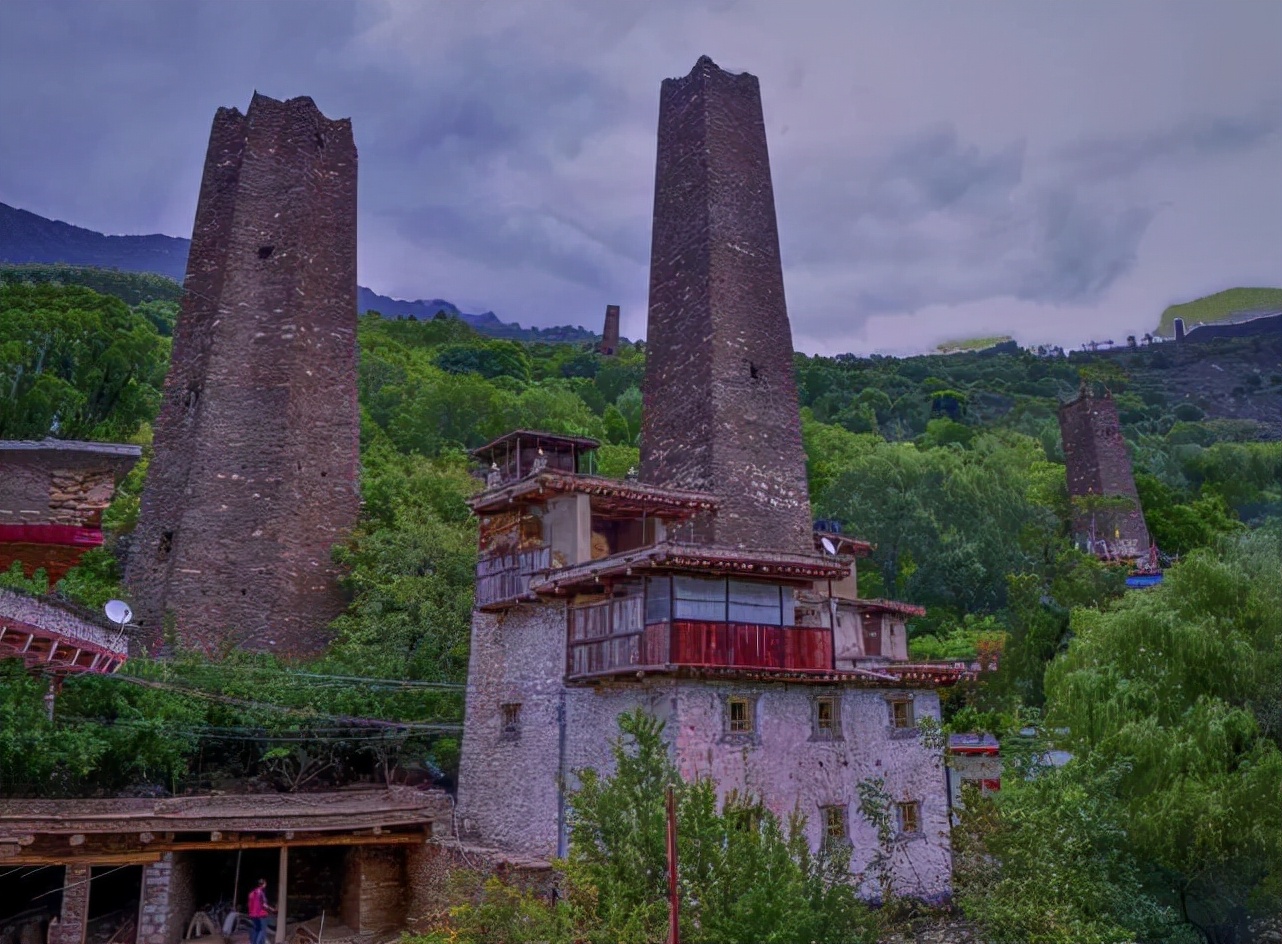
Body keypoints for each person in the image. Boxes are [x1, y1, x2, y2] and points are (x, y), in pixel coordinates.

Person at [247, 878, 276, 944]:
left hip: (252, 914)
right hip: (260, 915)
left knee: (256, 929)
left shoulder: (253, 892)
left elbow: (250, 903)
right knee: (262, 930)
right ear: (264, 884)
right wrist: (272, 909)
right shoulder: (261, 892)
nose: (266, 884)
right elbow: (263, 904)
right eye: (265, 883)